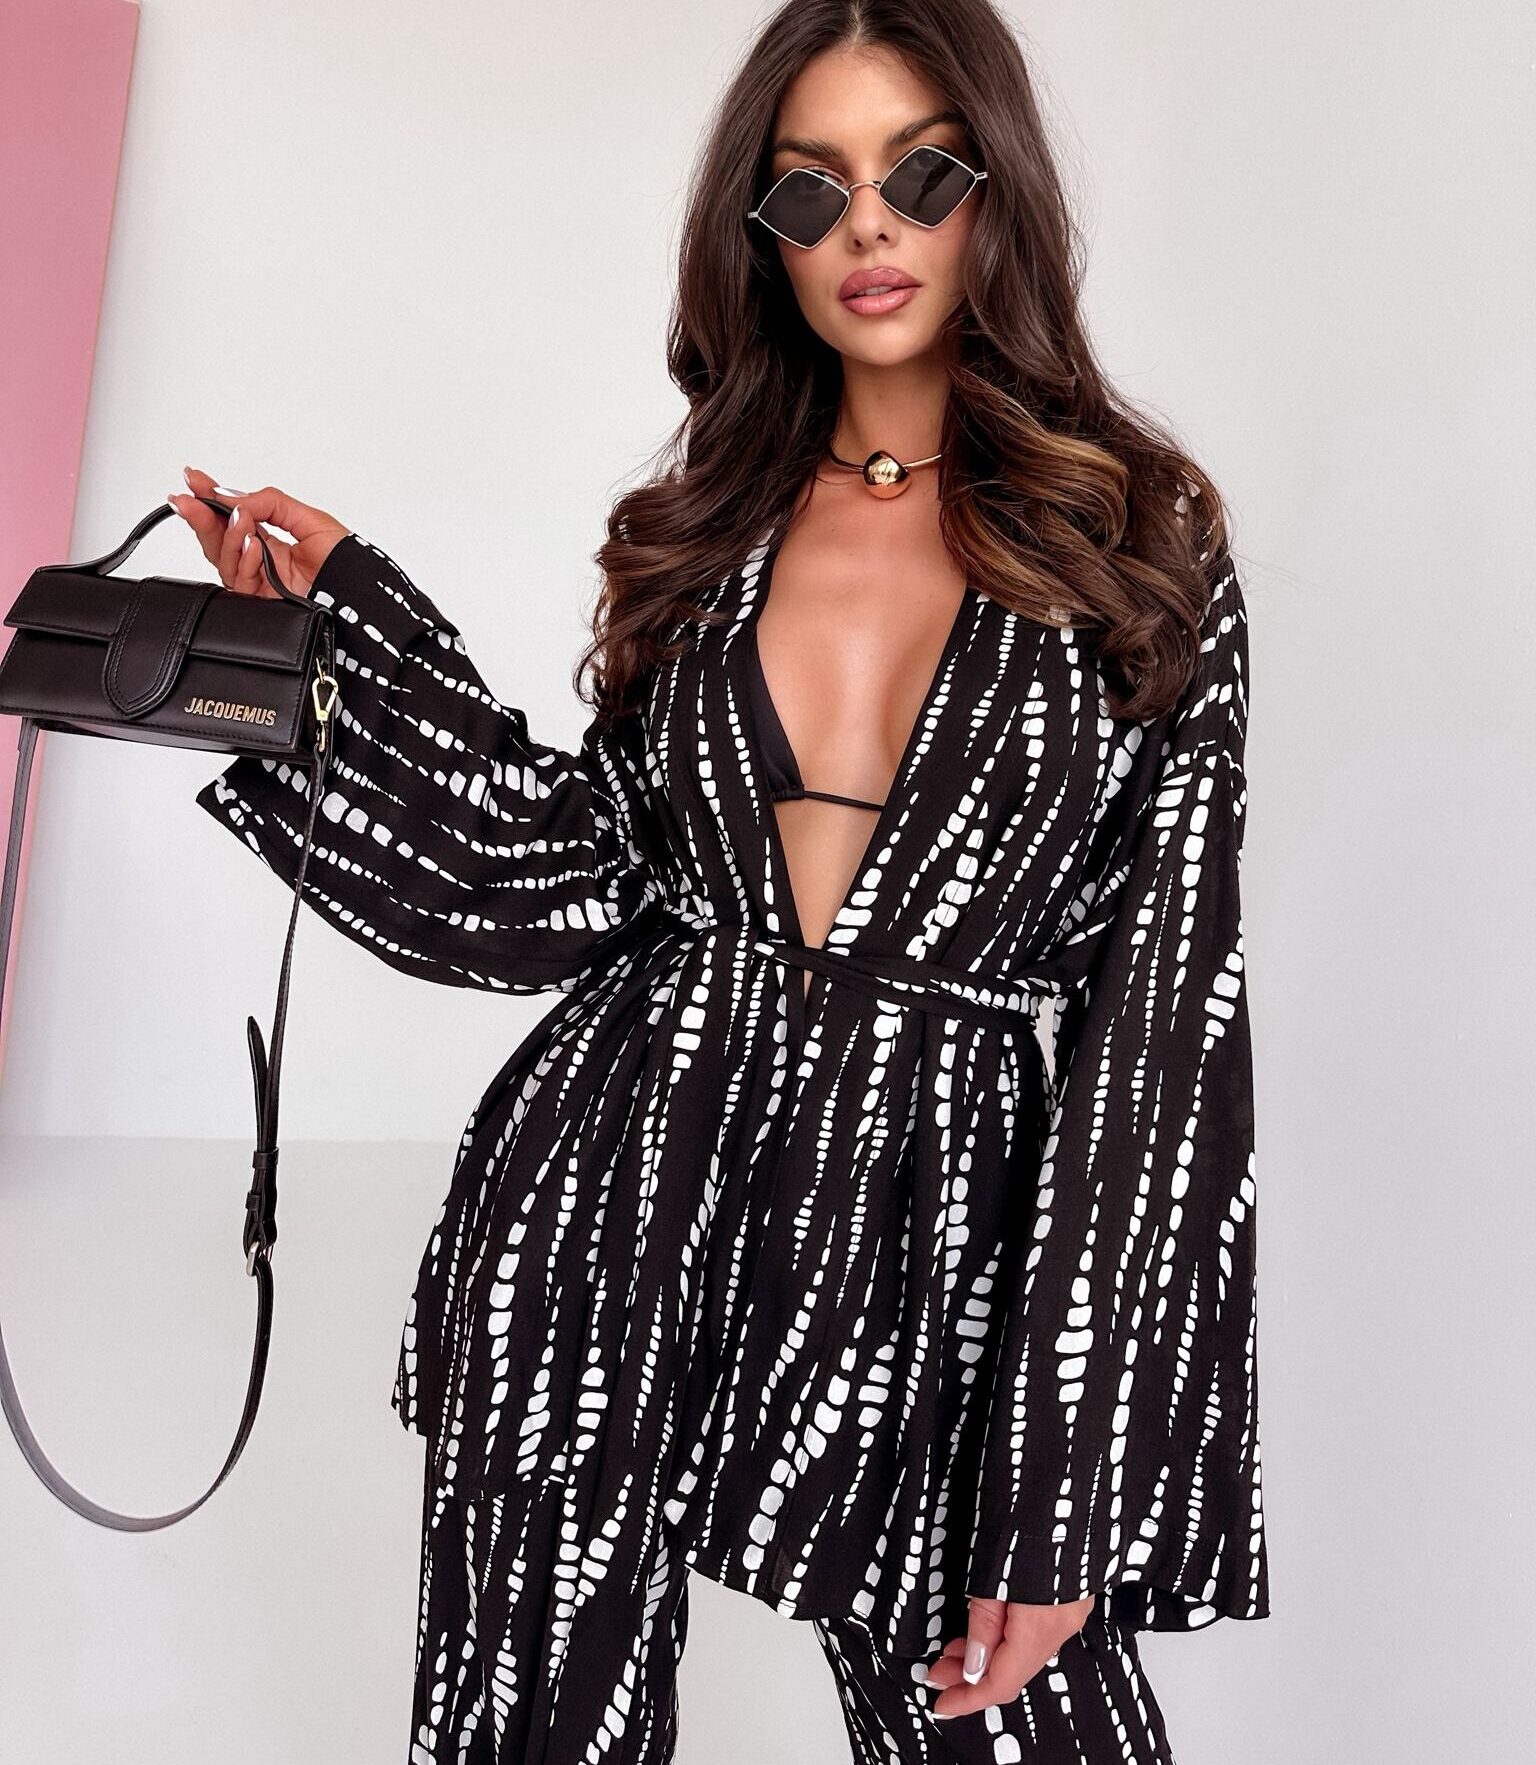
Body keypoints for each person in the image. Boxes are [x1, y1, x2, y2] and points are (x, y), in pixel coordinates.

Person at [169, 2, 1266, 1759]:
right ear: (761, 235)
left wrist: (1068, 1480)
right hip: (614, 1192)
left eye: (920, 175)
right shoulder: (717, 524)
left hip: (938, 1238)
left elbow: (1165, 1026)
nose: (869, 229)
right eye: (810, 191)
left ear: (998, 189)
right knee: (531, 1731)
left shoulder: (1138, 535)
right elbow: (560, 882)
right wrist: (342, 640)